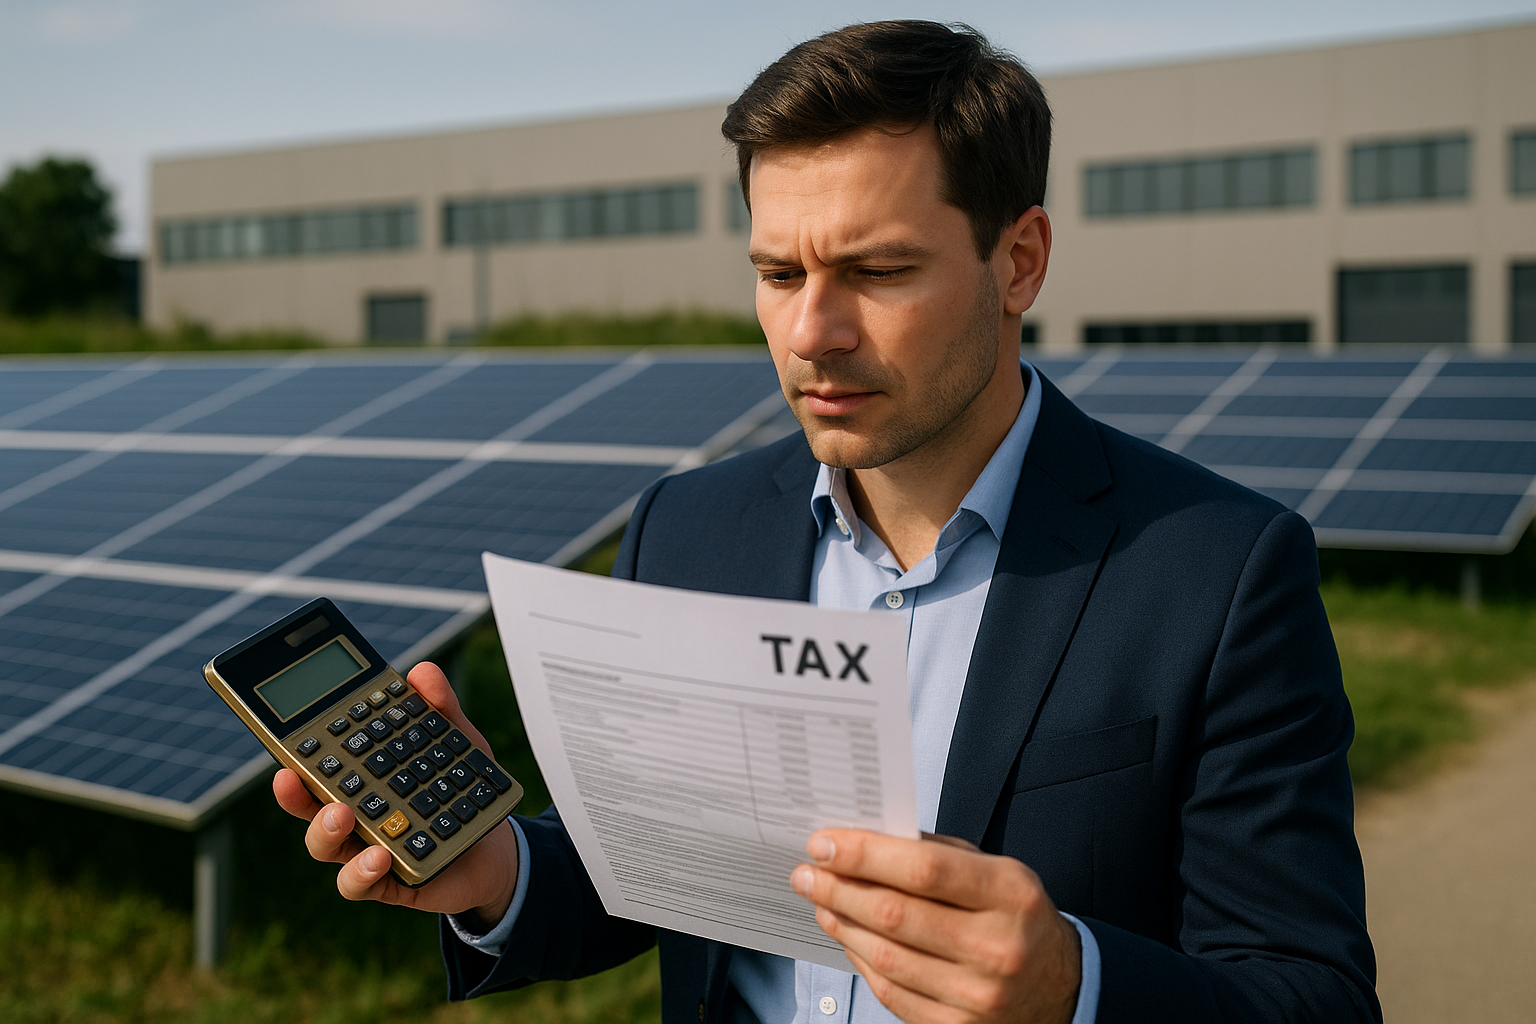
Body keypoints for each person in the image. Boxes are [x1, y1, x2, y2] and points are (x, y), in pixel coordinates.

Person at [274, 20, 1378, 1024]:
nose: (811, 332)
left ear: (1020, 261)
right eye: (777, 272)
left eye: (877, 270)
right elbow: (661, 874)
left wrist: (1073, 985)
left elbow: (1313, 995)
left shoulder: (1220, 570)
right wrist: (500, 869)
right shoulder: (687, 530)